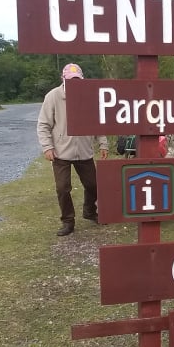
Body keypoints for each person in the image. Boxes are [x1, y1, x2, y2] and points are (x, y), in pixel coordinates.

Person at [37, 63, 109, 236]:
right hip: (61, 152)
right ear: (64, 79)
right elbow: (43, 124)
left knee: (94, 185)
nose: (74, 83)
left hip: (84, 151)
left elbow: (98, 122)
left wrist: (103, 143)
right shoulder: (53, 96)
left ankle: (90, 211)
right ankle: (68, 222)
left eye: (77, 80)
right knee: (63, 188)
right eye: (70, 80)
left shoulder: (90, 96)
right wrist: (47, 147)